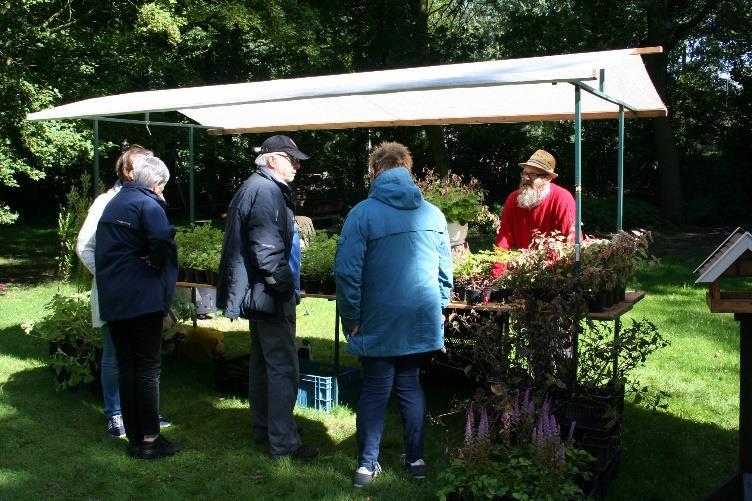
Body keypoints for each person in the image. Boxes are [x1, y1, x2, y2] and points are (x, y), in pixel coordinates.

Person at [334, 141, 453, 488]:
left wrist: (350, 316)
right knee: (410, 385)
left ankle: (366, 467)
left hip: (377, 316)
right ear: (408, 170)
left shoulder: (362, 213)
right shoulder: (433, 213)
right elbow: (446, 269)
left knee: (375, 389)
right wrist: (439, 306)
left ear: (374, 171)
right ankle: (415, 460)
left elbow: (347, 272)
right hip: (419, 314)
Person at [216, 134, 319, 460]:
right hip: (269, 295)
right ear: (272, 158)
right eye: (292, 159)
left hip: (259, 295)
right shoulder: (266, 192)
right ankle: (284, 443)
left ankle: (267, 429)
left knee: (263, 365)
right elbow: (267, 253)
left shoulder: (257, 187)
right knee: (282, 369)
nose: (297, 166)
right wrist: (287, 288)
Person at [76, 145, 173, 438]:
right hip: (117, 290)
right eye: (145, 163)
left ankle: (142, 415)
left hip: (137, 290)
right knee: (116, 354)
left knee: (138, 361)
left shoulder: (144, 199)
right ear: (129, 171)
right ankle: (116, 414)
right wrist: (114, 274)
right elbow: (85, 246)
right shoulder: (106, 202)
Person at [95, 155, 181, 459]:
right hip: (142, 299)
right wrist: (158, 261)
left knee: (127, 367)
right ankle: (149, 440)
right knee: (147, 370)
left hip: (114, 298)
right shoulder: (148, 204)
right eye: (163, 187)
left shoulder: (114, 202)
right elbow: (161, 239)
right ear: (156, 184)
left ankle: (135, 438)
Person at [493, 149, 577, 276]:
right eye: (524, 173)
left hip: (556, 272)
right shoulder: (513, 199)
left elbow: (571, 241)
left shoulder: (562, 199)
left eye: (533, 175)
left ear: (548, 178)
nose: (526, 178)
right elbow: (503, 241)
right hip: (524, 271)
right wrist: (496, 276)